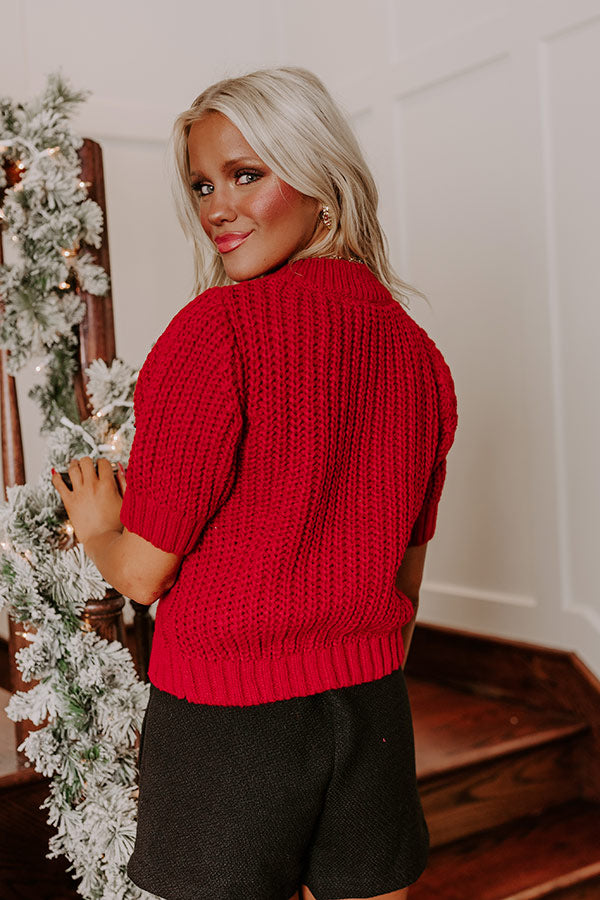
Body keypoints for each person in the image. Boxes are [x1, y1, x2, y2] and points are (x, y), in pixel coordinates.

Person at [52, 66, 458, 900]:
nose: (216, 209)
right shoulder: (419, 356)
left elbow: (143, 574)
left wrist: (97, 525)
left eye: (246, 174)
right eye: (202, 184)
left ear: (322, 178)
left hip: (229, 724)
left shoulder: (217, 333)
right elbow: (406, 583)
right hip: (372, 708)